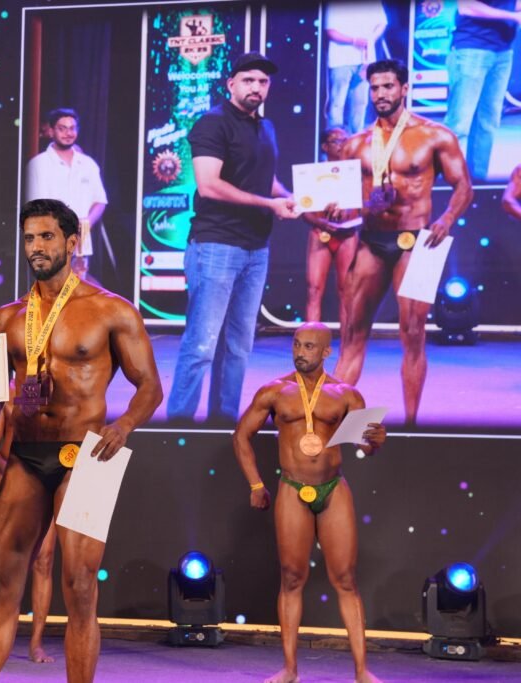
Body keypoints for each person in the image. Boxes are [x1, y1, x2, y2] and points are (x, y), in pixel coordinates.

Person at [0, 198, 162, 683]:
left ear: (72, 242)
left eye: (46, 237)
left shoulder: (111, 310)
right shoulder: (6, 318)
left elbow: (150, 387)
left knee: (81, 587)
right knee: (1, 587)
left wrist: (123, 426)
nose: (36, 247)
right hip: (26, 456)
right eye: (29, 238)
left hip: (89, 457)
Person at [233, 323, 387, 683]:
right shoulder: (274, 391)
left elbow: (365, 446)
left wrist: (376, 441)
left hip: (332, 489)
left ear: (326, 352)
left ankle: (362, 672)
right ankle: (290, 670)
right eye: (297, 345)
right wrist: (256, 484)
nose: (300, 353)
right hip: (292, 488)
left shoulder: (347, 395)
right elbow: (241, 436)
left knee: (345, 579)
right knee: (291, 578)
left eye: (309, 347)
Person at [333, 60, 472, 426]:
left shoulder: (434, 135)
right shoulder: (355, 144)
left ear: (404, 89)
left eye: (388, 87)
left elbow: (463, 186)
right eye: (375, 88)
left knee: (412, 332)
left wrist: (446, 219)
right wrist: (342, 207)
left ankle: (411, 426)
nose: (380, 94)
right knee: (352, 332)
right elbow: (343, 200)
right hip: (372, 240)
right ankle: (330, 424)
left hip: (419, 243)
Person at [166, 52, 298, 423]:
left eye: (263, 82)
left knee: (239, 346)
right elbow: (209, 185)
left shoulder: (265, 127)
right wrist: (269, 204)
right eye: (248, 80)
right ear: (231, 85)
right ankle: (177, 427)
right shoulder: (213, 123)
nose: (256, 87)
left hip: (256, 249)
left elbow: (266, 181)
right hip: (216, 246)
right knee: (202, 345)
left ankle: (223, 424)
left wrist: (293, 199)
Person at [0, 387, 57, 665]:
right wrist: (13, 473)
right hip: (9, 478)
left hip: (48, 480)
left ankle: (36, 643)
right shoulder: (3, 392)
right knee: (0, 563)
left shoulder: (58, 389)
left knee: (44, 561)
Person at [25, 108, 109, 283]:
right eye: (62, 128)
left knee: (77, 289)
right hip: (49, 241)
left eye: (72, 128)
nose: (68, 133)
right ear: (51, 131)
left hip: (80, 243)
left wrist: (86, 223)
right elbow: (34, 207)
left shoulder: (87, 164)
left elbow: (100, 201)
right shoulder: (38, 164)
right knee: (52, 289)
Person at [443, 0, 521, 182]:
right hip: (472, 49)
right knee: (459, 123)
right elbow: (466, 7)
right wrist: (513, 17)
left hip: (503, 51)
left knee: (488, 122)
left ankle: (478, 182)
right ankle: (449, 184)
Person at [303, 127, 361, 325]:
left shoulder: (356, 173)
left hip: (348, 235)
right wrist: (319, 222)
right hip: (320, 233)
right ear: (324, 147)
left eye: (345, 140)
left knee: (347, 291)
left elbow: (368, 205)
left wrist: (350, 210)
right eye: (336, 141)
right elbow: (305, 211)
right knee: (314, 290)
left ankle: (347, 345)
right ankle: (311, 343)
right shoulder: (312, 174)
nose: (341, 144)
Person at [324, 1, 388, 134]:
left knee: (360, 102)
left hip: (366, 61)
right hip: (341, 60)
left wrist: (371, 39)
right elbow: (330, 31)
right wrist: (353, 41)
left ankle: (356, 137)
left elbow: (382, 22)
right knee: (337, 102)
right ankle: (335, 138)